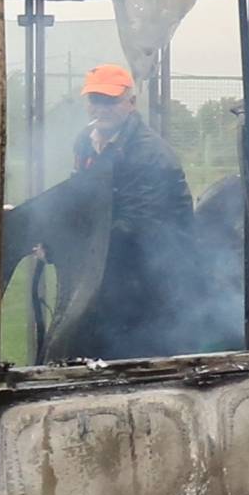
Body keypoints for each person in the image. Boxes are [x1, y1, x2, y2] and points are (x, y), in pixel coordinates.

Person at [65, 63, 194, 358]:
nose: (102, 108)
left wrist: (74, 241)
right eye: (95, 100)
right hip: (112, 263)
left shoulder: (150, 153)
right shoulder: (86, 141)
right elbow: (81, 194)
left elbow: (138, 222)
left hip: (156, 271)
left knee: (140, 353)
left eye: (110, 100)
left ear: (131, 103)